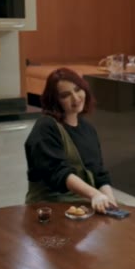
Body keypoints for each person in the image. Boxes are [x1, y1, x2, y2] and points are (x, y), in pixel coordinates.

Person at [24, 67, 118, 214]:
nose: (76, 98)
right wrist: (94, 194)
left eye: (77, 89)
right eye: (65, 95)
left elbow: (99, 173)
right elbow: (58, 172)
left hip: (82, 202)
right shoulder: (45, 127)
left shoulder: (88, 129)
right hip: (50, 206)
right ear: (55, 100)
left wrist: (109, 199)